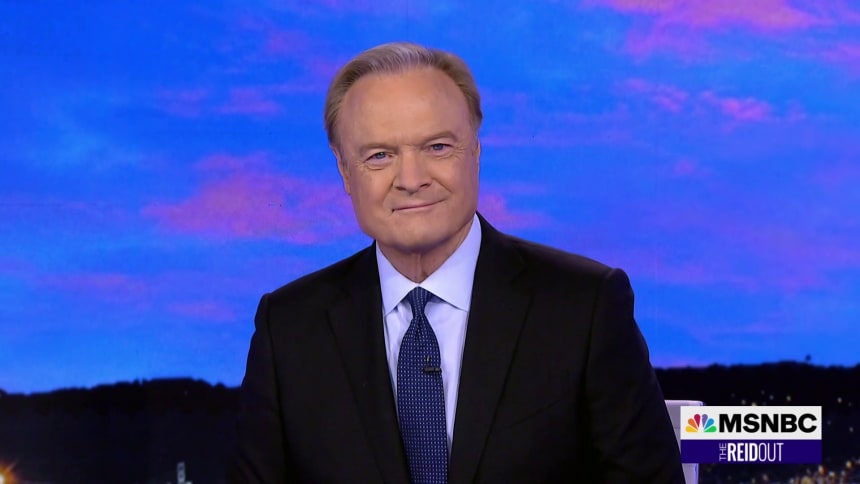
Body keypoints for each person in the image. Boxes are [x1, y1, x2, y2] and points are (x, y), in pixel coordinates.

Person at [228, 42, 683, 483]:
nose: (411, 179)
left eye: (437, 147)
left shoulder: (586, 307)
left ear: (476, 152)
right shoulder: (288, 328)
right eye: (380, 156)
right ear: (345, 171)